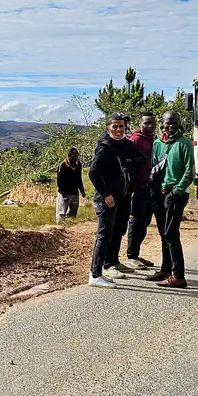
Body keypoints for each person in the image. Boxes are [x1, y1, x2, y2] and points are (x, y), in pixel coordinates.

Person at [87, 112, 146, 289]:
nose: (119, 129)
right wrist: (106, 194)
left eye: (121, 126)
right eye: (115, 126)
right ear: (107, 128)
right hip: (107, 199)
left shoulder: (124, 145)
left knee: (118, 230)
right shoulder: (105, 147)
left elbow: (141, 159)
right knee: (104, 235)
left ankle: (111, 263)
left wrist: (128, 163)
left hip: (123, 196)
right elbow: (93, 174)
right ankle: (95, 274)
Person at [142, 111, 195, 288]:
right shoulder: (158, 143)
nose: (169, 126)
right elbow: (154, 167)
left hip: (175, 194)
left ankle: (178, 276)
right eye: (166, 123)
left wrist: (178, 190)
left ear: (179, 124)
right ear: (162, 124)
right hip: (159, 193)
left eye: (173, 123)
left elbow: (190, 172)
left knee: (172, 234)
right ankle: (165, 270)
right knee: (164, 234)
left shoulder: (184, 144)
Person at [124, 112, 158, 269]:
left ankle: (136, 254)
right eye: (146, 123)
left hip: (150, 188)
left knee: (145, 222)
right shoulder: (135, 140)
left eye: (152, 123)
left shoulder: (154, 140)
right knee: (135, 222)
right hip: (137, 189)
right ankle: (131, 256)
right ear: (140, 124)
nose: (150, 126)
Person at [55, 147, 86, 224]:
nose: (75, 158)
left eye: (76, 156)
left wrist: (82, 191)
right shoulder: (62, 165)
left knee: (73, 214)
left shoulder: (78, 164)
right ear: (69, 156)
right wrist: (65, 196)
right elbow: (59, 183)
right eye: (73, 156)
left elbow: (79, 178)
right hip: (64, 193)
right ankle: (60, 230)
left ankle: (70, 229)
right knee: (61, 214)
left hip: (75, 193)